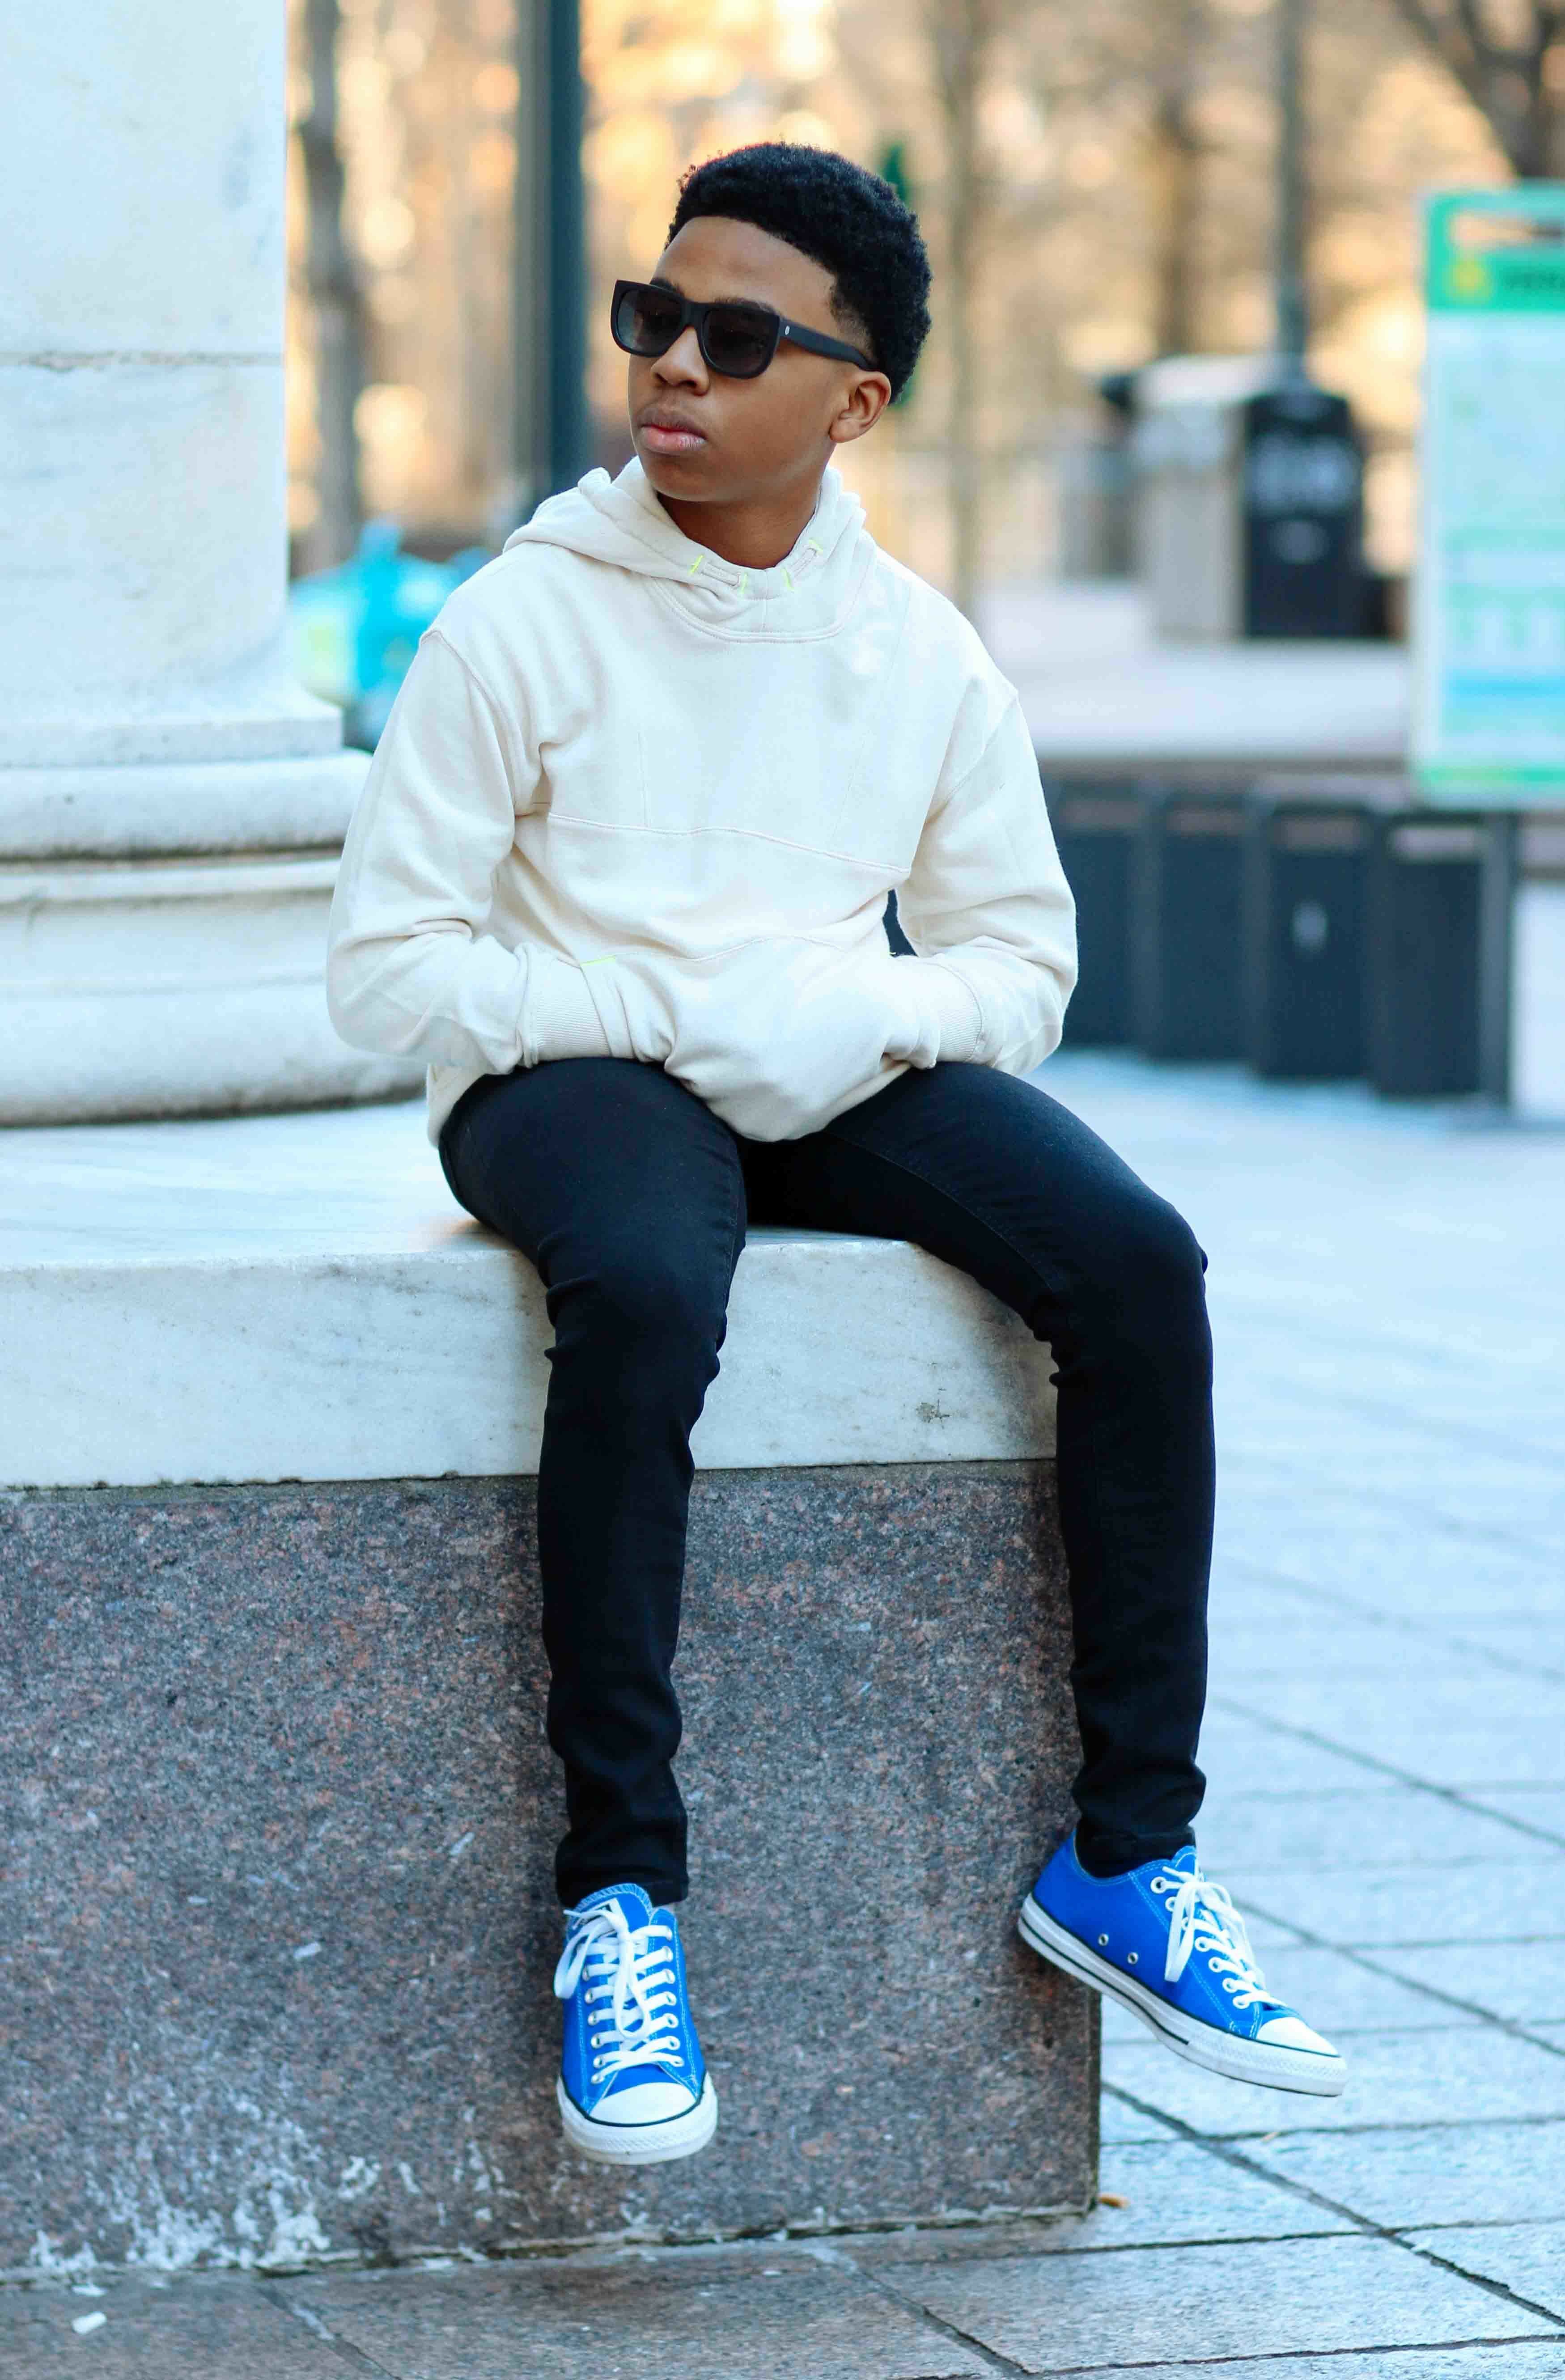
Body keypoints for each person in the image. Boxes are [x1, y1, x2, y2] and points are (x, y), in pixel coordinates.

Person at [327, 142, 1344, 2168]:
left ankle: (1127, 1855)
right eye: (654, 318)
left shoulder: (919, 653)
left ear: (853, 399)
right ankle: (621, 1896)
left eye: (734, 338)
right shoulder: (520, 619)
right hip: (566, 1068)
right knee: (644, 1284)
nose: (670, 367)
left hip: (821, 1054)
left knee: (1136, 1262)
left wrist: (858, 1014)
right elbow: (386, 971)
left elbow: (1020, 962)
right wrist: (649, 1005)